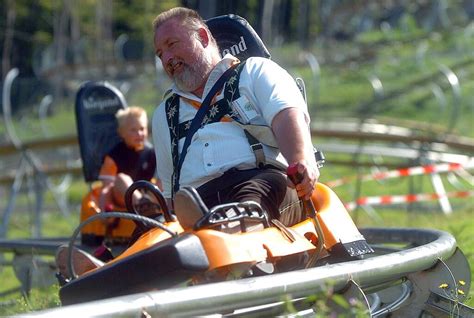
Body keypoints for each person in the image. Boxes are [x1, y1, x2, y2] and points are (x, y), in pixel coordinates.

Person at [151, 7, 320, 229]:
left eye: (172, 45)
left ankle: (224, 228)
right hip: (196, 198)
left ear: (202, 37)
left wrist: (301, 161)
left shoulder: (254, 71)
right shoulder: (165, 113)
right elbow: (169, 187)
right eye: (161, 54)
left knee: (253, 197)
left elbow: (287, 115)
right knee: (152, 230)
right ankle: (105, 261)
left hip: (259, 182)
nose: (168, 58)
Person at [98, 106, 161, 212]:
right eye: (133, 130)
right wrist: (105, 211)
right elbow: (106, 188)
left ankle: (161, 209)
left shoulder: (151, 152)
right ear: (121, 133)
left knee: (162, 181)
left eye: (142, 129)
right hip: (121, 199)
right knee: (122, 178)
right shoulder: (114, 155)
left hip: (146, 193)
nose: (139, 134)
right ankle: (143, 206)